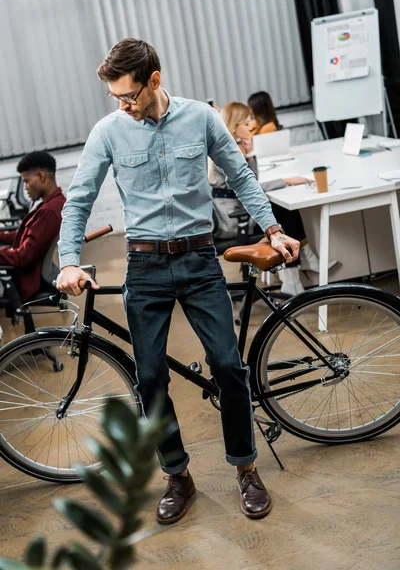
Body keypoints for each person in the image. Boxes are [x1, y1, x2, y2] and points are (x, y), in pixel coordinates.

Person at [56, 38, 300, 524]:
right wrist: (67, 259)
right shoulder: (107, 131)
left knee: (229, 368)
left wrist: (273, 228)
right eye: (115, 98)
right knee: (150, 378)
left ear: (155, 80)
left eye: (130, 96)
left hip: (198, 261)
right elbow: (79, 198)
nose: (123, 106)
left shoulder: (201, 118)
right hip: (144, 267)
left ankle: (246, 469)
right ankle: (178, 476)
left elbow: (241, 176)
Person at [210, 102, 334, 295]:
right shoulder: (225, 152)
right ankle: (296, 274)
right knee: (282, 207)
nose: (251, 126)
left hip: (237, 211)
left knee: (284, 207)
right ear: (234, 127)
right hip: (234, 219)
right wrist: (284, 180)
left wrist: (250, 153)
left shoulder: (235, 147)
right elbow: (249, 187)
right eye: (246, 123)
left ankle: (302, 265)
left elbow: (252, 180)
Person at [0, 151, 65, 304]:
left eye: (27, 182)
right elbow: (26, 234)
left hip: (26, 283)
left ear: (41, 177)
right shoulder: (52, 204)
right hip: (29, 275)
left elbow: (22, 257)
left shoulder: (49, 211)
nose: (26, 188)